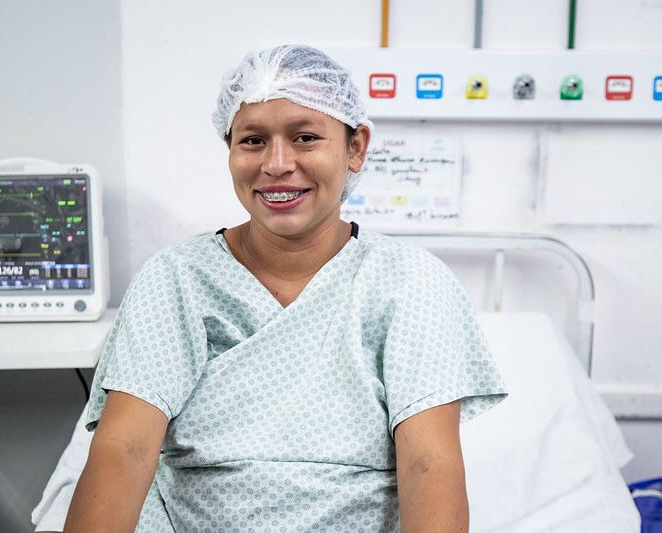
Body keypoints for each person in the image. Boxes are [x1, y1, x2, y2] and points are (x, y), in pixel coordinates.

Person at [61, 44, 506, 532]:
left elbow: (428, 464)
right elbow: (125, 449)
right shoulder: (175, 279)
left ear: (356, 147)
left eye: (305, 138)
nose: (276, 164)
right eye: (253, 140)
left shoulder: (411, 282)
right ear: (230, 150)